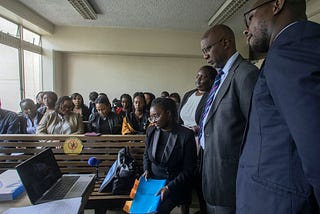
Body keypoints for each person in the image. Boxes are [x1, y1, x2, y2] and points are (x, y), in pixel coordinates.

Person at [236, 0, 320, 213]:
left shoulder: (292, 49)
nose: (246, 30)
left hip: (280, 203)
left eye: (251, 17)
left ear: (277, 4)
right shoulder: (290, 49)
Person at [199, 24, 259, 213]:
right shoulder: (220, 78)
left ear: (225, 43)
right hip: (213, 176)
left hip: (231, 182)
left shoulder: (246, 75)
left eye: (207, 49)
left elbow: (256, 133)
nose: (205, 56)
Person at [143, 98, 197, 214]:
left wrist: (169, 187)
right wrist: (146, 169)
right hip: (153, 182)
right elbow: (146, 154)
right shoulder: (151, 131)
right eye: (151, 117)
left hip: (175, 184)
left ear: (168, 114)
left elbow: (188, 170)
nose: (153, 121)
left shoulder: (186, 136)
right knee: (140, 208)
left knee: (157, 211)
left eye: (156, 116)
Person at [178, 65, 217, 214]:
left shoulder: (212, 96)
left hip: (200, 142)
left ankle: (203, 209)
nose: (198, 79)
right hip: (184, 141)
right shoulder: (188, 94)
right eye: (197, 76)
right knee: (184, 179)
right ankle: (185, 209)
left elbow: (213, 121)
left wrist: (197, 129)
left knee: (199, 180)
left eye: (203, 76)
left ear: (212, 79)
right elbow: (179, 118)